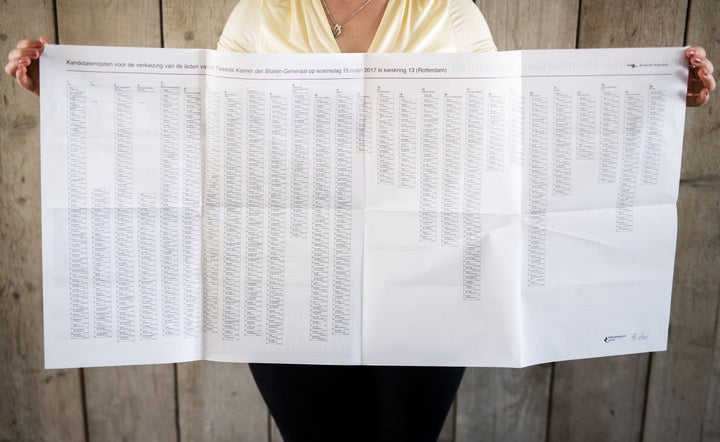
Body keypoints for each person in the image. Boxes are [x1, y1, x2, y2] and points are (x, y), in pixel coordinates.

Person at [4, 1, 716, 441]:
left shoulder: (451, 14)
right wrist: (69, 89)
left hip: (431, 288)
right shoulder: (259, 16)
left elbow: (516, 142)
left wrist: (650, 102)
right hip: (285, 289)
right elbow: (196, 134)